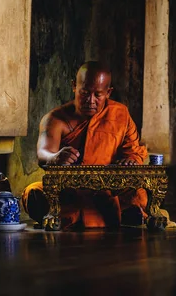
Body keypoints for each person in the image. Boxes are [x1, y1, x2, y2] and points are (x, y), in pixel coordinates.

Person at [22, 61, 149, 229]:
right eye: (85, 92)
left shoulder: (121, 114)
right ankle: (110, 215)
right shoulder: (56, 118)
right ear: (74, 86)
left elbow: (133, 151)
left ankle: (72, 217)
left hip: (107, 189)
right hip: (69, 190)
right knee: (33, 193)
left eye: (98, 94)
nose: (90, 100)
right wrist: (55, 157)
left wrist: (130, 160)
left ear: (108, 93)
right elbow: (43, 154)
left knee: (139, 193)